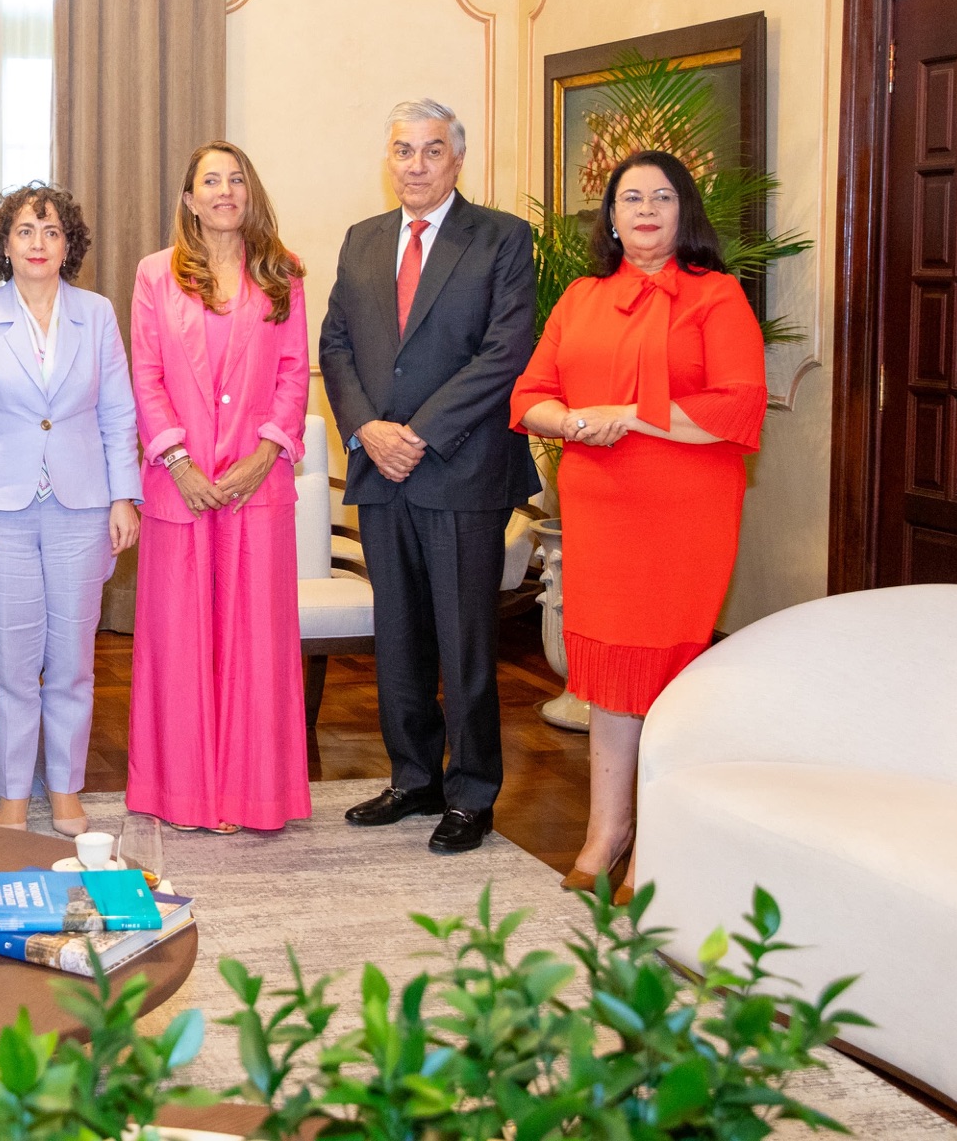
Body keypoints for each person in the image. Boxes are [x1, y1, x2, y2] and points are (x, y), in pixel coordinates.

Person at [513, 149, 766, 895]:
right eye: (631, 198)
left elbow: (736, 407)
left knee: (665, 674)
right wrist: (570, 421)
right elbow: (531, 395)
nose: (647, 209)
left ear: (683, 211)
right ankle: (605, 833)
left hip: (686, 511)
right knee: (610, 674)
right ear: (612, 217)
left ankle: (663, 842)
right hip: (602, 512)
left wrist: (626, 415)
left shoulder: (716, 295)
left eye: (662, 196)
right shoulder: (582, 298)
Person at [318, 99, 536, 855]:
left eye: (431, 151)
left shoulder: (502, 238)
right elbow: (336, 344)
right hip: (380, 470)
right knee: (400, 635)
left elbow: (505, 352)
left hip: (461, 468)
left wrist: (420, 432)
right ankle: (415, 777)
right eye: (403, 151)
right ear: (390, 159)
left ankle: (472, 792)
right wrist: (368, 428)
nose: (415, 164)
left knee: (464, 636)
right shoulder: (361, 240)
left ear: (457, 160)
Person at [0, 186, 141, 836]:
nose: (38, 242)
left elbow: (117, 410)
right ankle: (9, 795)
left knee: (74, 661)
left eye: (51, 231)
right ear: (5, 244)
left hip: (83, 509)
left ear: (68, 244)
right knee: (14, 664)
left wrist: (124, 495)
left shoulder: (97, 313)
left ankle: (64, 791)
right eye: (25, 230)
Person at [127, 141, 312, 834]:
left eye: (236, 179)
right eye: (211, 179)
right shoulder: (155, 275)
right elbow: (145, 373)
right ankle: (182, 793)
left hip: (257, 486)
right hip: (181, 486)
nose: (225, 190)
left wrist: (268, 452)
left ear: (250, 192)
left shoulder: (283, 274)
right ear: (190, 198)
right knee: (178, 644)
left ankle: (250, 794)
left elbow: (294, 371)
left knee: (256, 642)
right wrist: (177, 461)